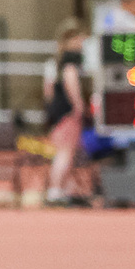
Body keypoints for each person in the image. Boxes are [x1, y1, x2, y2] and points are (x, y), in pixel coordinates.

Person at [42, 19, 89, 208]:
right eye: (79, 39)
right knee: (65, 153)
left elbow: (48, 93)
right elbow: (71, 87)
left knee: (67, 154)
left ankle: (65, 189)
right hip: (67, 114)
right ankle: (55, 190)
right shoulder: (69, 65)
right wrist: (79, 107)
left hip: (57, 113)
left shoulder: (55, 63)